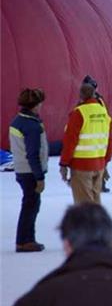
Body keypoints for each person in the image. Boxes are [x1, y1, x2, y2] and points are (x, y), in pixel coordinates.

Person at [59, 80, 112, 205]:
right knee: (95, 202)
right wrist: (106, 161)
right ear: (95, 94)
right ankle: (96, 224)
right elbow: (110, 139)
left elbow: (70, 141)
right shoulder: (103, 112)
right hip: (99, 164)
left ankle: (87, 224)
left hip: (81, 165)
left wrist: (64, 163)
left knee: (83, 204)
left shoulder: (79, 113)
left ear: (81, 96)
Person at [9, 88, 48, 252]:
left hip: (21, 169)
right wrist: (39, 177)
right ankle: (25, 240)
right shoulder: (32, 126)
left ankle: (25, 239)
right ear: (35, 105)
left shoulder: (17, 121)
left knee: (29, 204)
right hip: (30, 172)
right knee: (31, 206)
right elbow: (33, 154)